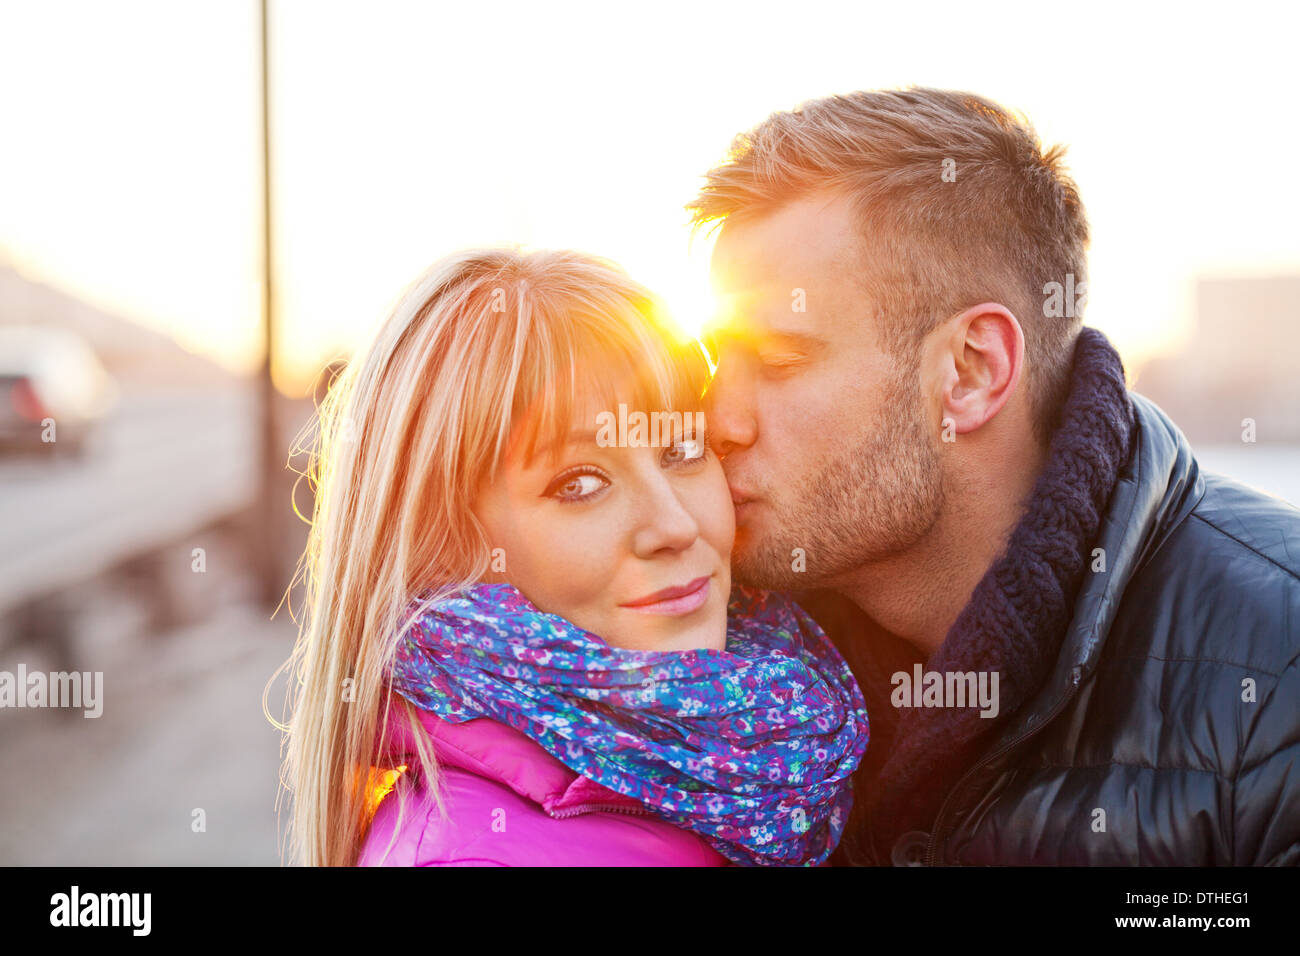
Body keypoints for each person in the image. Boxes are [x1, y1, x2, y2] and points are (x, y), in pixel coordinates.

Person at [689, 87, 1300, 866]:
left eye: (779, 359)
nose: (717, 418)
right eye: (713, 362)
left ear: (971, 371)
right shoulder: (705, 656)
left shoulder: (1279, 681)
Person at [277, 247, 869, 866]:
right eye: (580, 484)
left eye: (682, 448)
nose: (674, 524)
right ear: (442, 551)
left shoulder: (770, 736)